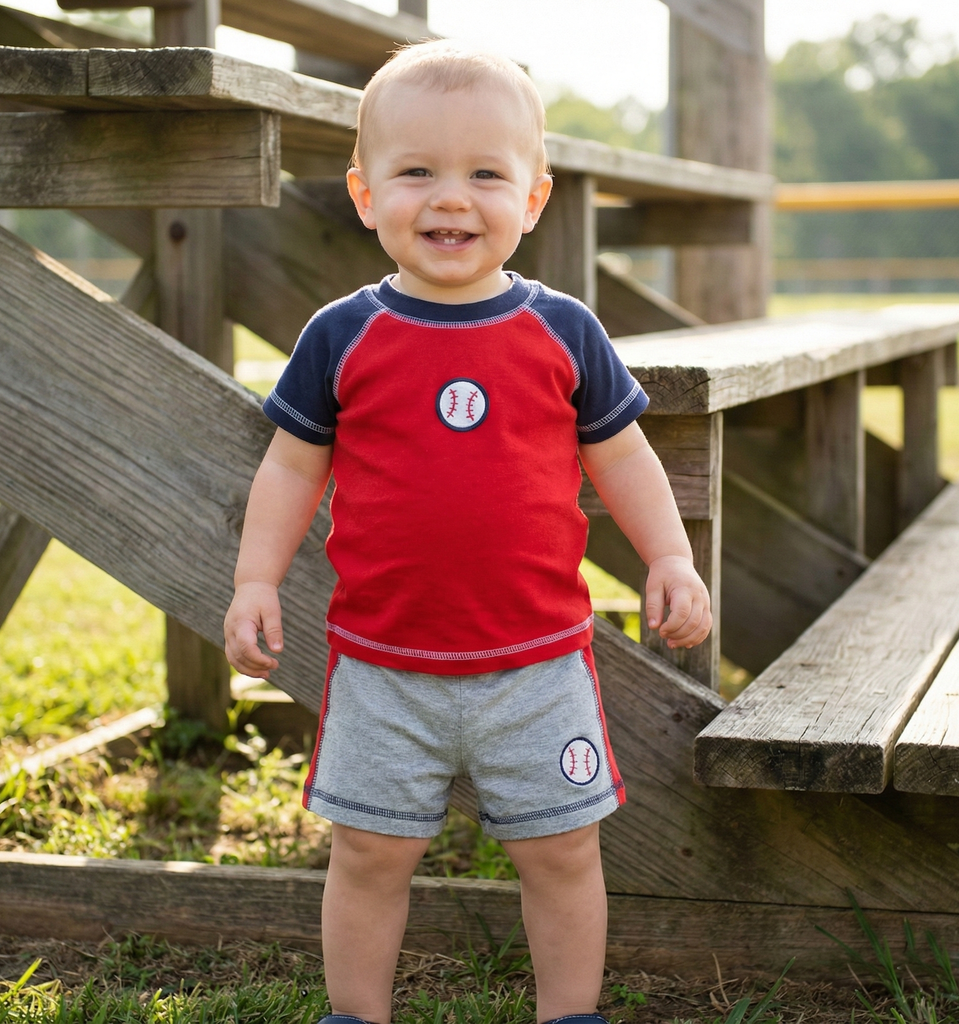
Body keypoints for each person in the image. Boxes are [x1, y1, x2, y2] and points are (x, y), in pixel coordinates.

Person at [224, 39, 712, 1024]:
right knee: (369, 851)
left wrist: (667, 554)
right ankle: (354, 1013)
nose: (451, 198)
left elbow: (620, 456)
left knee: (562, 849)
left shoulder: (562, 330)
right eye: (416, 172)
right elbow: (290, 464)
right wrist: (255, 581)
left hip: (536, 666)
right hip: (382, 665)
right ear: (364, 195)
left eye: (486, 173)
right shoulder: (341, 334)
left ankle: (567, 1012)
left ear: (532, 199)